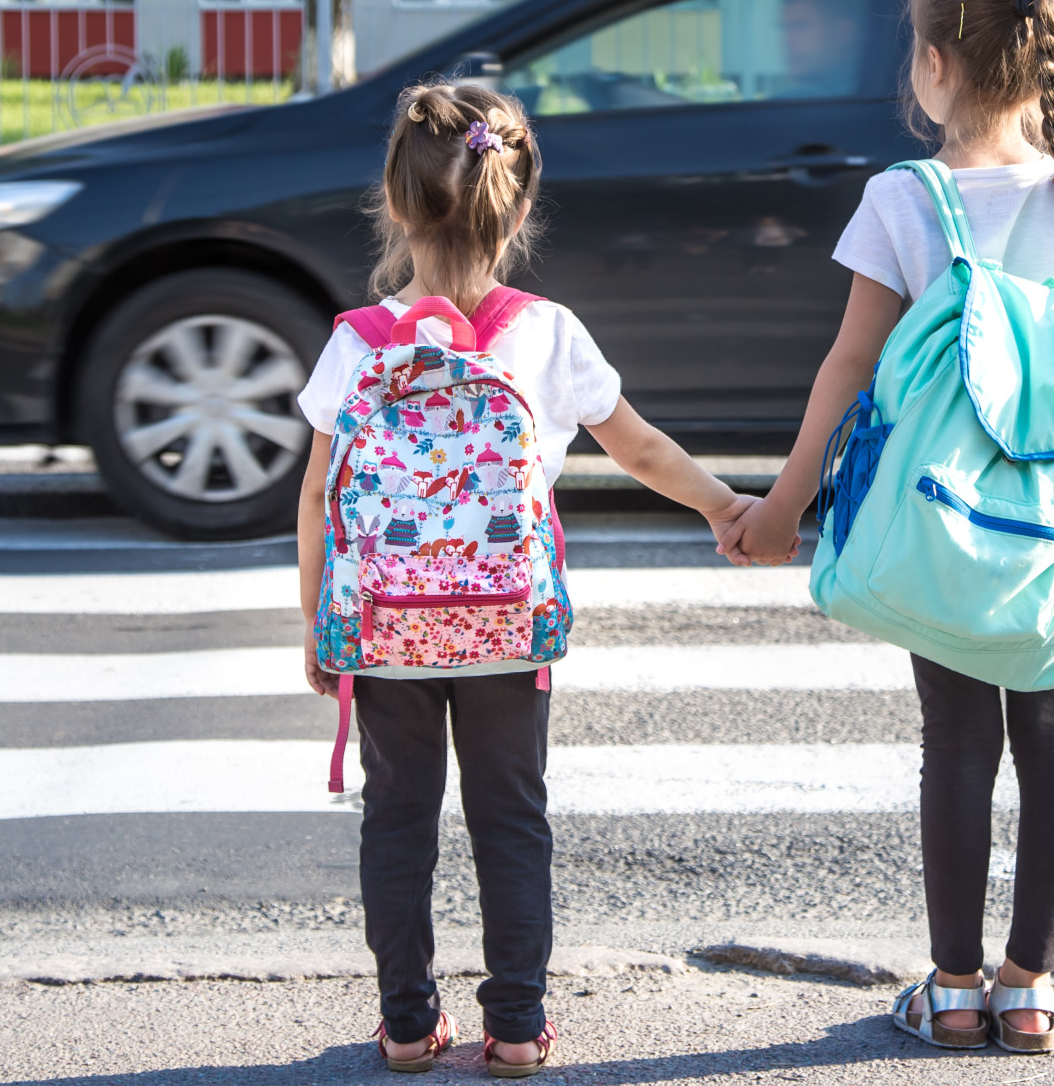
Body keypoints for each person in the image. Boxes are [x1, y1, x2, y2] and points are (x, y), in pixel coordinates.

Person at [724, 0, 1054, 1051]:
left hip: (940, 517)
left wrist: (783, 507)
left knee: (956, 738)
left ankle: (955, 984)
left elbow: (847, 365)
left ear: (932, 65)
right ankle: (1030, 988)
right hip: (1052, 525)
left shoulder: (903, 199)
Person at [293, 80, 760, 1077]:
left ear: (394, 199)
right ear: (516, 205)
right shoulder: (545, 332)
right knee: (510, 815)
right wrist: (724, 506)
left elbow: (319, 499)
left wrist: (316, 627)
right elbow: (637, 450)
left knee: (397, 817)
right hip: (507, 625)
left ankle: (409, 1027)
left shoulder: (356, 345)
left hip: (387, 628)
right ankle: (515, 1026)